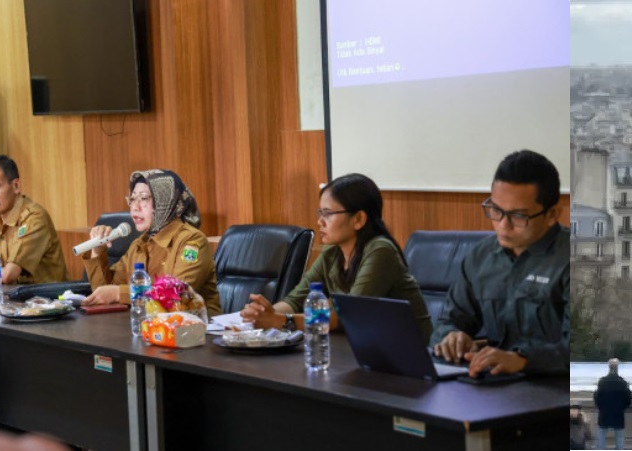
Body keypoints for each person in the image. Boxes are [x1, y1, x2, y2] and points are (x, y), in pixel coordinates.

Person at [240, 173, 432, 341]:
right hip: (364, 350)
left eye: (328, 213)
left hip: (408, 354)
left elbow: (349, 315)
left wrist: (281, 321)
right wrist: (264, 314)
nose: (319, 221)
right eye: (320, 212)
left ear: (359, 219)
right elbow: (296, 300)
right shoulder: (332, 253)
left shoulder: (380, 251)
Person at [430, 150, 568, 377]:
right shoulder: (481, 256)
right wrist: (452, 336)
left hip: (556, 390)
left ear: (552, 214)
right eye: (496, 210)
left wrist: (523, 359)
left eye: (518, 216)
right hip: (492, 382)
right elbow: (450, 320)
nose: (503, 226)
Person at [81, 169, 221, 316]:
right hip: (150, 329)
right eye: (132, 199)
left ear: (165, 201)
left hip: (195, 332)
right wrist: (97, 251)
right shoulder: (139, 245)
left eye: (143, 198)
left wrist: (118, 294)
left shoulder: (192, 241)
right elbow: (103, 294)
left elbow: (177, 294)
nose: (135, 207)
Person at [0, 155, 67, 284]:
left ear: (16, 186)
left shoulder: (35, 218)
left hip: (46, 300)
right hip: (6, 299)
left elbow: (8, 275)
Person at [595, 358, 631, 450]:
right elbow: (628, 398)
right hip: (618, 413)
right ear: (617, 368)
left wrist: (601, 407)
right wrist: (622, 407)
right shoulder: (623, 383)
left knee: (601, 436)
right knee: (619, 437)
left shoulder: (602, 382)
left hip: (604, 413)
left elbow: (597, 397)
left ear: (609, 367)